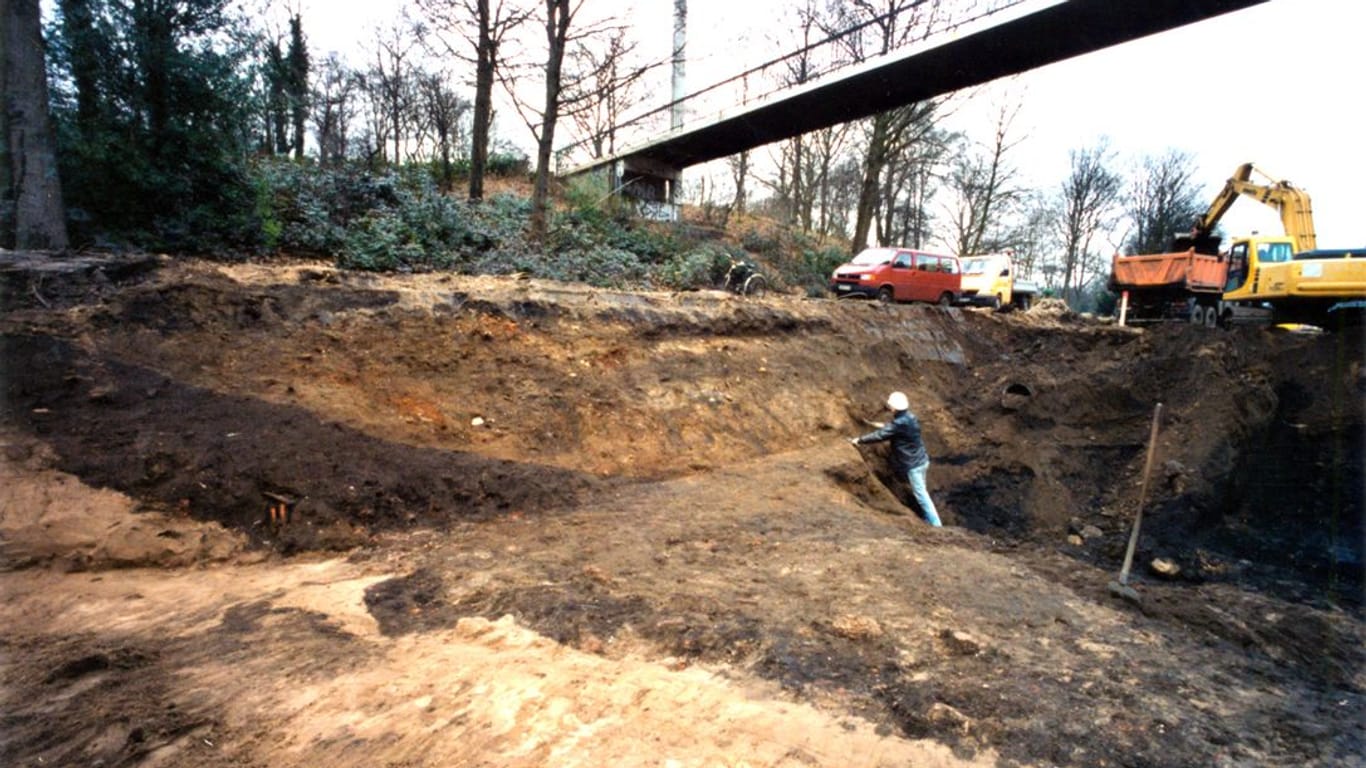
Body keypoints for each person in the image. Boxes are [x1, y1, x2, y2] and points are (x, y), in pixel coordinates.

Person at [850, 391, 943, 527]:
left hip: (914, 465)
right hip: (922, 460)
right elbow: (894, 427)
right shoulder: (910, 417)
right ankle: (928, 518)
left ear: (893, 407)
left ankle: (936, 524)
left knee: (921, 496)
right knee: (923, 492)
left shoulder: (899, 424)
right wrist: (874, 424)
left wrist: (859, 440)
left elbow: (881, 435)